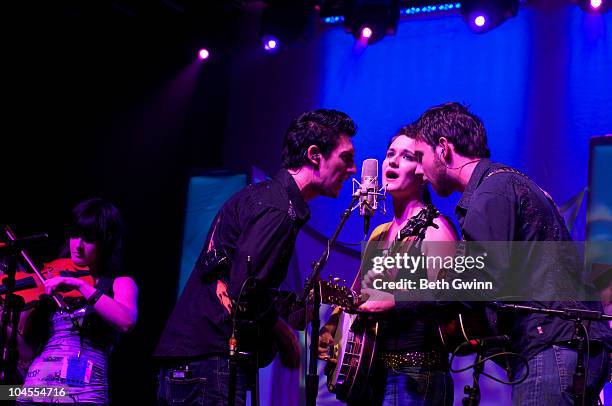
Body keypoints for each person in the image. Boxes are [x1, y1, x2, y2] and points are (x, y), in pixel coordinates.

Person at [412, 102, 612, 405]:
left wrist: (404, 296)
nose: (418, 170)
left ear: (443, 148)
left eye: (419, 157)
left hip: (551, 346)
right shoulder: (509, 181)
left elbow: (481, 279)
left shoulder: (491, 192)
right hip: (576, 343)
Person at [155, 109, 357, 406]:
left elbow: (243, 280)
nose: (353, 169)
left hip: (196, 361)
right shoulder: (277, 210)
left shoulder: (265, 197)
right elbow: (244, 292)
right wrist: (285, 335)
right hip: (209, 361)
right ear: (315, 155)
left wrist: (294, 308)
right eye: (346, 158)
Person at [319, 124, 458, 405]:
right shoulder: (379, 233)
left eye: (407, 156)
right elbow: (365, 295)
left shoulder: (435, 228)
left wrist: (394, 300)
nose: (392, 161)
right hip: (376, 375)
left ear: (424, 171)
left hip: (417, 375)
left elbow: (450, 294)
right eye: (390, 153)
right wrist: (333, 324)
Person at [17, 198, 138, 405]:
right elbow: (26, 353)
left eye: (89, 239)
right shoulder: (50, 283)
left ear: (106, 241)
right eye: (74, 236)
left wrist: (81, 286)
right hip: (35, 387)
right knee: (4, 392)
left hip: (84, 391)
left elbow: (126, 321)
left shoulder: (120, 283)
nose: (78, 246)